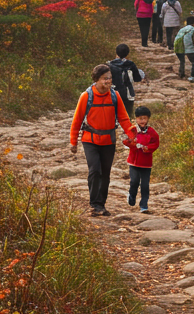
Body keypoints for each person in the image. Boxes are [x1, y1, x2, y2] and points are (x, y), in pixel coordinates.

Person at [68, 65, 136, 216]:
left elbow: (124, 118)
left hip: (108, 140)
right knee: (95, 171)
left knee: (105, 173)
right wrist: (73, 142)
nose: (109, 81)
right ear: (97, 80)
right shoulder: (86, 96)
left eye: (110, 78)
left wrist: (133, 136)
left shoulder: (114, 96)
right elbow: (77, 120)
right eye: (105, 78)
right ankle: (94, 204)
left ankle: (101, 205)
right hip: (90, 140)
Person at [123, 105, 159, 212]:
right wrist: (132, 144)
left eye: (144, 118)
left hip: (146, 163)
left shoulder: (152, 132)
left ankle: (144, 205)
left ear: (148, 119)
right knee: (134, 181)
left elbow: (156, 143)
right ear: (136, 119)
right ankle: (132, 196)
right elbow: (125, 140)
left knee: (145, 185)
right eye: (140, 118)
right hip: (133, 162)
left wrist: (147, 148)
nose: (142, 121)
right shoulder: (133, 130)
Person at [108, 44, 143, 118]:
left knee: (112, 116)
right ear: (127, 54)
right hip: (128, 94)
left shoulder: (109, 65)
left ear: (116, 53)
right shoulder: (131, 64)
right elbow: (138, 78)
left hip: (113, 93)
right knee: (128, 117)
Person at [173, 16, 194, 81]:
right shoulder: (192, 29)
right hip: (189, 48)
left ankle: (181, 74)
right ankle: (192, 75)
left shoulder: (182, 29)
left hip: (178, 47)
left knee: (182, 61)